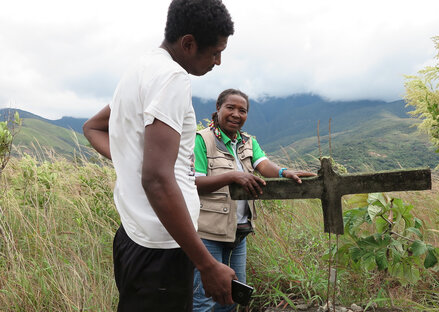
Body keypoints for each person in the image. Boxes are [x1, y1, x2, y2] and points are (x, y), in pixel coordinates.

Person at [82, 0, 237, 310]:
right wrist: (207, 265)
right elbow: (156, 179)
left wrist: (132, 160)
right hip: (161, 249)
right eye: (215, 52)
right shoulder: (171, 79)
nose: (218, 61)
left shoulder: (140, 70)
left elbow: (92, 128)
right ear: (189, 44)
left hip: (135, 236)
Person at [192, 88, 316, 311]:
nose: (236, 114)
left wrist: (283, 172)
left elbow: (263, 165)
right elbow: (195, 183)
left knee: (233, 295)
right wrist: (232, 176)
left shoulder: (248, 142)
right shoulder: (202, 140)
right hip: (208, 232)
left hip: (239, 231)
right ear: (218, 109)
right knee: (204, 297)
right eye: (230, 107)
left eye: (243, 110)